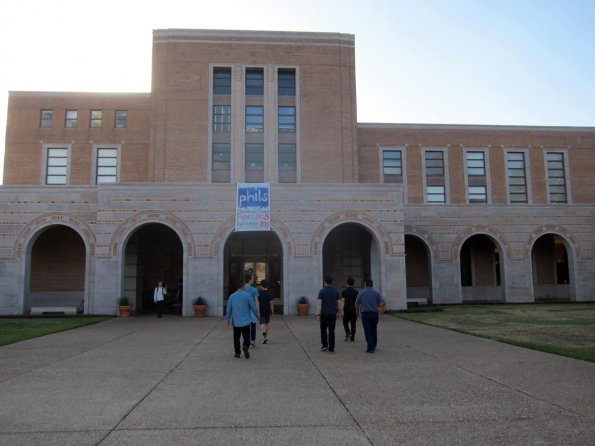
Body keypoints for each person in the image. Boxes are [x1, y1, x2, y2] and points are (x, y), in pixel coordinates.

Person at [225, 280, 257, 359]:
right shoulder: (247, 295)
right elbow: (253, 307)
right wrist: (256, 315)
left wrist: (227, 319)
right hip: (246, 321)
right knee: (247, 336)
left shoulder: (232, 296)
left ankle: (237, 353)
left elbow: (228, 309)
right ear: (243, 286)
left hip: (236, 321)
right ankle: (245, 346)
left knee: (236, 337)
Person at [315, 275, 343, 353]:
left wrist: (318, 314)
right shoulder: (336, 291)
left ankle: (324, 345)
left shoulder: (322, 291)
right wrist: (339, 312)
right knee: (331, 330)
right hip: (332, 314)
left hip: (324, 314)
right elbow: (339, 303)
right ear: (332, 282)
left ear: (325, 282)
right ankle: (331, 347)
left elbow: (319, 303)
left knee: (323, 330)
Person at [355, 279, 383, 353]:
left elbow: (357, 303)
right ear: (372, 285)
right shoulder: (377, 293)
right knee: (374, 329)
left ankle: (370, 347)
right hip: (374, 313)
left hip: (365, 314)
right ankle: (374, 344)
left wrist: (357, 311)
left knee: (367, 330)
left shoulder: (361, 293)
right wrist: (379, 310)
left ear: (365, 284)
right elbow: (381, 303)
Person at [257, 279, 274, 344]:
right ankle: (266, 336)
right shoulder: (270, 293)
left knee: (262, 323)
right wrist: (272, 312)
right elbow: (271, 303)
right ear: (267, 285)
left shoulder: (259, 293)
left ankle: (264, 336)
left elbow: (257, 302)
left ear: (261, 285)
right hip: (268, 311)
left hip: (261, 311)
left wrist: (258, 311)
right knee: (267, 323)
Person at [244, 274, 260, 347]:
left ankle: (246, 341)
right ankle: (252, 341)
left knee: (245, 326)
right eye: (253, 279)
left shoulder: (242, 288)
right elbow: (256, 301)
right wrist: (258, 311)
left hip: (243, 310)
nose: (253, 280)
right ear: (250, 280)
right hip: (252, 310)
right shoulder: (254, 289)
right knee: (253, 325)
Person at [341, 277, 358, 342]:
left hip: (346, 310)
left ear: (347, 283)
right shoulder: (356, 292)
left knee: (345, 323)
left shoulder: (344, 292)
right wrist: (357, 310)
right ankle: (352, 337)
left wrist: (342, 310)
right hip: (353, 310)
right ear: (353, 284)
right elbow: (357, 303)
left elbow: (343, 301)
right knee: (353, 324)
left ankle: (348, 333)